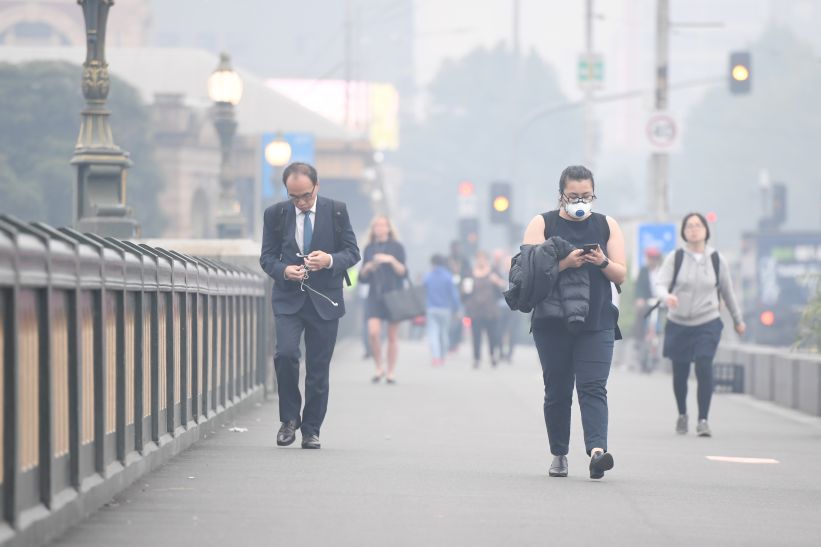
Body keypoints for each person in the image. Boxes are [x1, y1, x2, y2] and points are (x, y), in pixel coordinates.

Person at [521, 165, 626, 480]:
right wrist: (565, 263)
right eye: (573, 196)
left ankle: (597, 452)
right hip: (553, 322)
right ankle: (559, 453)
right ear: (561, 195)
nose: (580, 201)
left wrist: (602, 261)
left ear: (593, 194)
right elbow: (529, 271)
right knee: (557, 389)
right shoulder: (542, 223)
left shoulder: (607, 225)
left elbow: (621, 273)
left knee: (593, 387)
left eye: (586, 195)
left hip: (597, 320)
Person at [259, 162, 360, 450]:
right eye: (294, 197)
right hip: (288, 298)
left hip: (325, 299)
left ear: (316, 186)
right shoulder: (275, 214)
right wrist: (283, 271)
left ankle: (311, 429)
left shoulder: (337, 210)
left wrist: (328, 260)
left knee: (318, 368)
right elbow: (267, 257)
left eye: (306, 195)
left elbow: (352, 252)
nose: (301, 203)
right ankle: (289, 420)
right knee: (286, 354)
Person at [655, 212, 745, 437]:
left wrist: (737, 320)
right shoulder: (675, 258)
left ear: (706, 230)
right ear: (684, 232)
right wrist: (667, 297)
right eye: (689, 226)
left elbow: (727, 291)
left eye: (698, 225)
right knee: (680, 372)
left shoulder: (716, 259)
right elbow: (660, 285)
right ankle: (682, 414)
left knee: (704, 365)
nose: (694, 229)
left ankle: (703, 419)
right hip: (678, 322)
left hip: (707, 321)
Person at [358, 215, 407, 384]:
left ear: (389, 228)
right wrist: (370, 266)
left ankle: (391, 371)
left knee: (393, 336)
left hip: (393, 294)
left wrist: (391, 260)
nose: (379, 228)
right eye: (376, 226)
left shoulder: (397, 247)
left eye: (382, 225)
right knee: (373, 333)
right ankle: (379, 366)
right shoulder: (369, 248)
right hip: (374, 295)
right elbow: (362, 277)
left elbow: (403, 272)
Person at [464, 250, 506, 368]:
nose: (480, 261)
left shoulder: (493, 272)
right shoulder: (470, 274)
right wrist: (465, 288)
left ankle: (493, 355)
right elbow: (465, 293)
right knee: (476, 336)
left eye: (483, 258)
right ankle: (476, 358)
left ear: (487, 260)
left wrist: (496, 281)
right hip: (475, 311)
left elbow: (503, 288)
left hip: (490, 311)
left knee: (492, 335)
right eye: (478, 258)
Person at [423, 254, 460, 366]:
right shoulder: (448, 277)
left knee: (433, 333)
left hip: (431, 308)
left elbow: (423, 291)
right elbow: (454, 295)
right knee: (444, 333)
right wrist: (456, 308)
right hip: (445, 309)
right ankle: (443, 356)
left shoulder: (428, 276)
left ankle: (435, 357)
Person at [633, 247, 664, 373]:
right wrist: (639, 299)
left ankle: (658, 341)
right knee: (641, 315)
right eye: (650, 258)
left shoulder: (662, 272)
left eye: (655, 258)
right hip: (647, 302)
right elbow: (639, 287)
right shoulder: (643, 271)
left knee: (664, 322)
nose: (653, 261)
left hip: (661, 303)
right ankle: (639, 339)